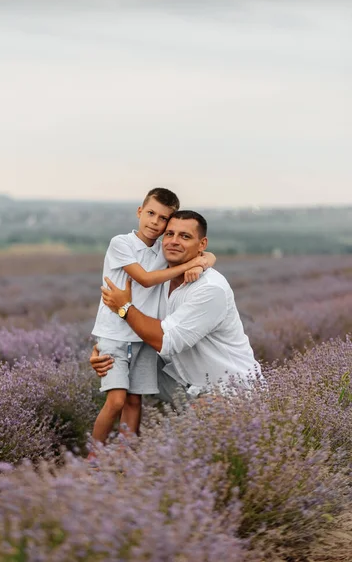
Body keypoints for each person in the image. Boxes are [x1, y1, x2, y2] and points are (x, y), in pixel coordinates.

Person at [91, 210, 263, 405]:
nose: (174, 241)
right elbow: (142, 326)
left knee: (203, 422)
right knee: (122, 371)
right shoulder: (160, 279)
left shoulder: (210, 289)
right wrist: (108, 351)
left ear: (202, 245)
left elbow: (166, 340)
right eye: (169, 234)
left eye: (185, 236)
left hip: (232, 392)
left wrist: (123, 307)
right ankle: (128, 434)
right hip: (185, 383)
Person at [89, 190, 216, 451]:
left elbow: (207, 254)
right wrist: (185, 267)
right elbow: (145, 279)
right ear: (139, 211)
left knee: (135, 402)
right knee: (115, 401)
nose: (155, 223)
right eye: (150, 214)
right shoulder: (121, 243)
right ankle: (94, 458)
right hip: (114, 332)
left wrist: (202, 263)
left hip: (143, 336)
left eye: (163, 219)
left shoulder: (163, 245)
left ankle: (125, 457)